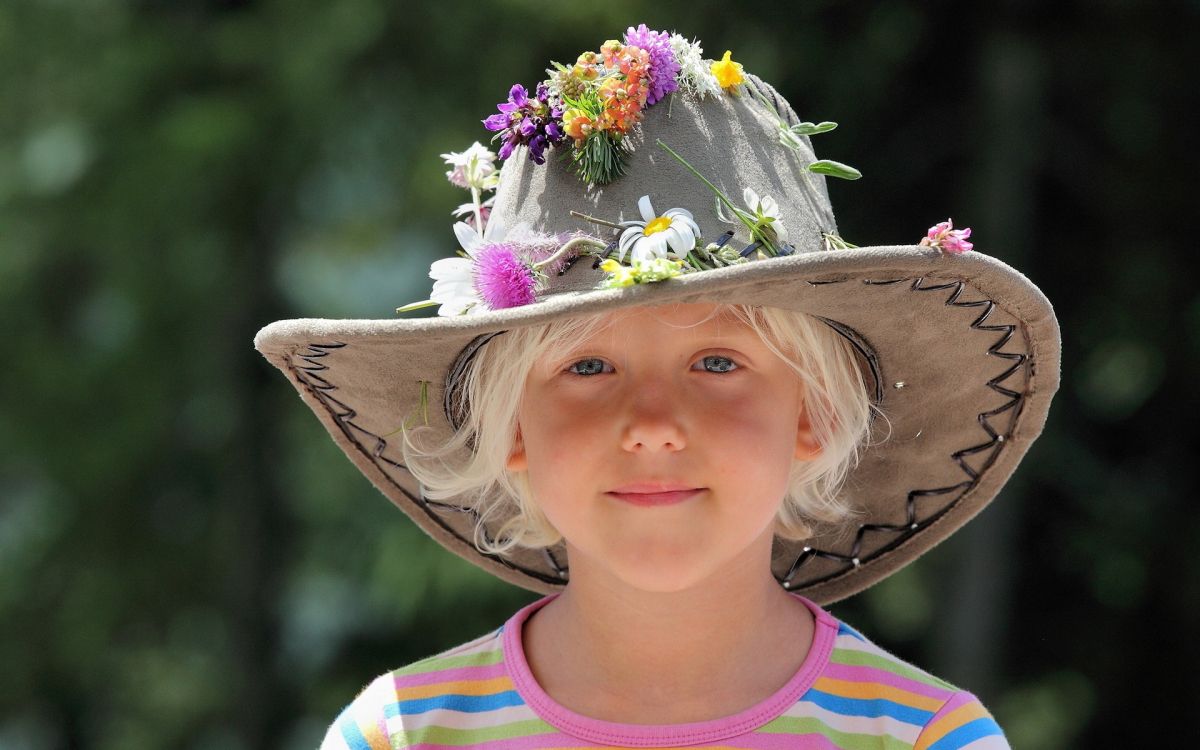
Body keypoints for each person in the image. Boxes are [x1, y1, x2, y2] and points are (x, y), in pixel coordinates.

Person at [255, 24, 1060, 749]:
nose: (652, 426)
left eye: (717, 364)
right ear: (512, 431)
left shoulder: (925, 738)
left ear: (811, 411)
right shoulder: (401, 735)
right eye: (587, 367)